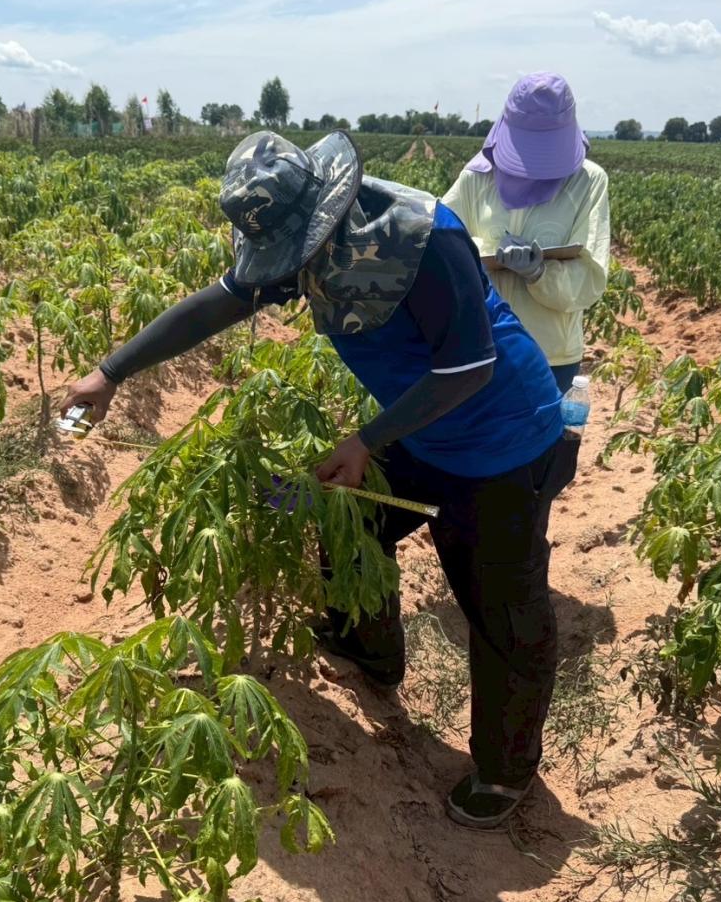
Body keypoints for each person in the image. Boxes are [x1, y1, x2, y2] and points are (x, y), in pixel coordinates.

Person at [61, 130, 577, 830]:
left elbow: (468, 367)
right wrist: (110, 372)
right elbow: (219, 301)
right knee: (345, 518)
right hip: (416, 426)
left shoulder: (427, 237)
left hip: (501, 439)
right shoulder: (296, 238)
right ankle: (370, 648)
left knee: (502, 609)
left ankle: (505, 769)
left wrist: (366, 440)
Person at [442, 72, 610, 395]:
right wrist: (478, 252)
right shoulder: (476, 179)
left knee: (548, 445)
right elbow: (441, 241)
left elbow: (590, 276)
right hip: (480, 348)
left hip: (550, 354)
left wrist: (539, 273)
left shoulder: (588, 182)